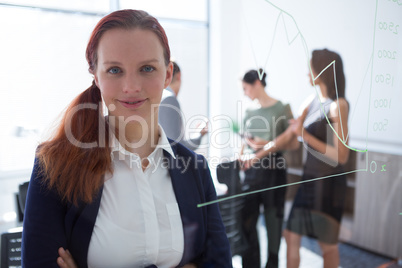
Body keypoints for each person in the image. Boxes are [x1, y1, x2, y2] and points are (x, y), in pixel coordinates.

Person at [21, 9, 232, 268]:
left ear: (167, 74)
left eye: (146, 68)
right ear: (95, 76)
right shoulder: (55, 166)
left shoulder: (196, 170)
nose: (131, 86)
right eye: (114, 70)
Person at [284, 48, 350, 268]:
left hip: (329, 183)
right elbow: (294, 128)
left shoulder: (337, 105)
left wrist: (304, 135)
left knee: (327, 246)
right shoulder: (312, 100)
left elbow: (341, 155)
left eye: (310, 69)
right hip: (309, 179)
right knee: (291, 234)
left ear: (320, 71)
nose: (306, 74)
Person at [238, 69, 298, 268]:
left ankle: (272, 263)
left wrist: (268, 143)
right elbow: (243, 143)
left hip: (274, 171)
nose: (244, 93)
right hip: (251, 172)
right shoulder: (248, 111)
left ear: (256, 83)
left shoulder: (281, 108)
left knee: (274, 223)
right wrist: (241, 157)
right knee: (247, 222)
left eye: (245, 88)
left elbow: (293, 144)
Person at [159, 61, 208, 151]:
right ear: (179, 76)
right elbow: (176, 147)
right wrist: (199, 134)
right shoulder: (169, 100)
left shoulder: (159, 97)